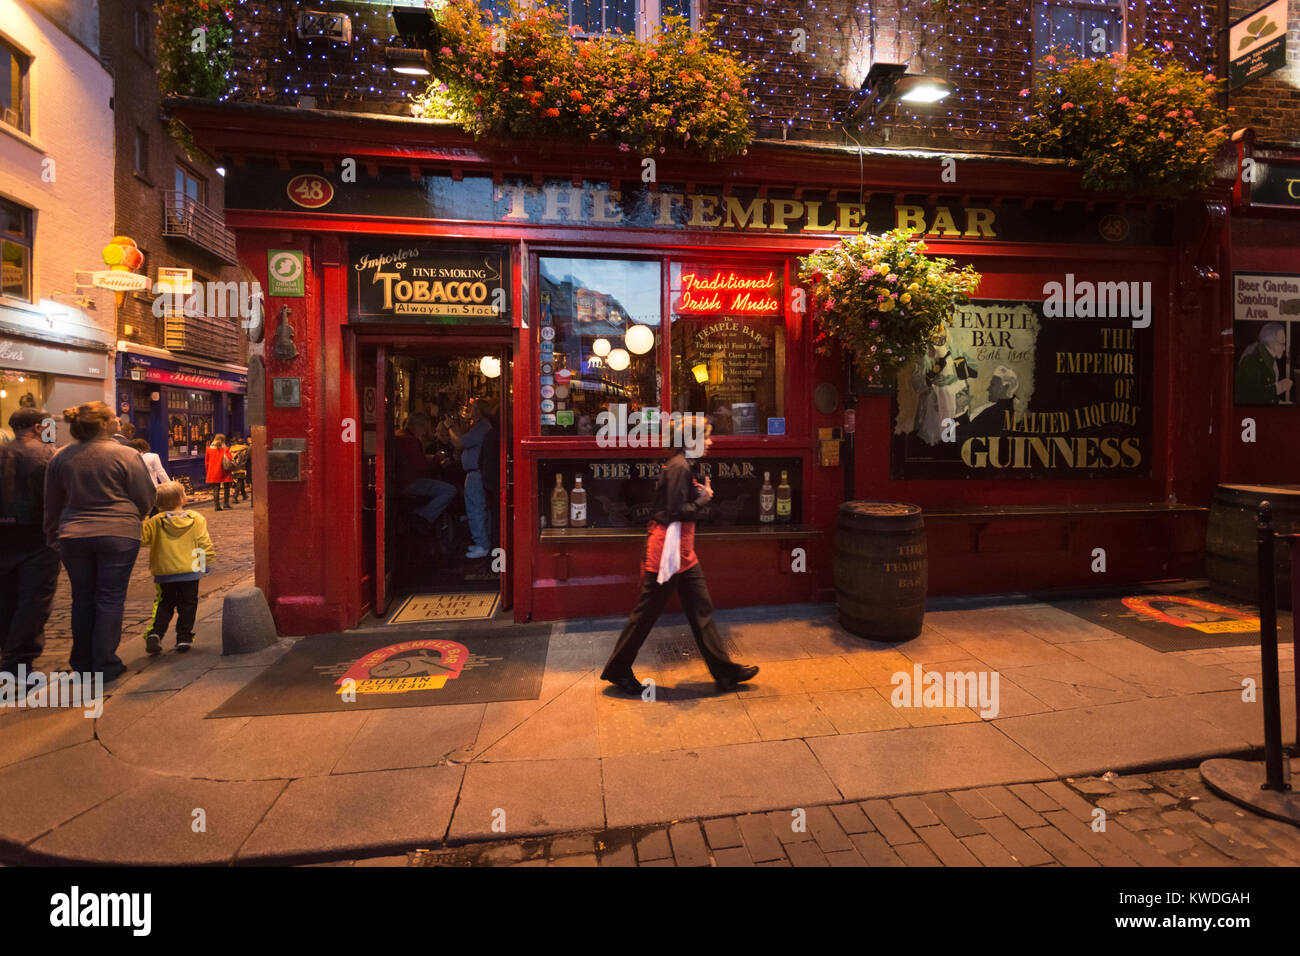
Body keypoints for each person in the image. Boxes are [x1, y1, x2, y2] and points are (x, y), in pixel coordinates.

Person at [599, 417, 759, 695]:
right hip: (667, 553)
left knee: (701, 611)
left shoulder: (681, 464)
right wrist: (703, 499)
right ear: (692, 439)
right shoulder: (679, 466)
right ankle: (618, 669)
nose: (710, 442)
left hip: (682, 552)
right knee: (645, 615)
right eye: (706, 437)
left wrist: (695, 496)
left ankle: (725, 673)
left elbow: (674, 504)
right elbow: (674, 511)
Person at [43, 401, 155, 683]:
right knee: (109, 597)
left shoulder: (61, 457)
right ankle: (105, 663)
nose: (119, 419)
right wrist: (134, 517)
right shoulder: (126, 455)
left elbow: (52, 503)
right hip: (118, 534)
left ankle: (82, 662)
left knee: (82, 598)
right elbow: (145, 496)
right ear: (104, 424)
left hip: (73, 535)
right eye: (114, 417)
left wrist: (52, 535)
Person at [0, 407, 59, 682]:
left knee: (6, 596)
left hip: (5, 538)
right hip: (37, 535)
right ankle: (17, 663)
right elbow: (56, 499)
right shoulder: (48, 455)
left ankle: (9, 652)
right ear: (38, 427)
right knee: (34, 600)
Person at [141, 481, 214, 654]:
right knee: (188, 604)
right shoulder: (196, 518)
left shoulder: (155, 521)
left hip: (165, 572)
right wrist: (206, 562)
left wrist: (143, 519)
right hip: (190, 571)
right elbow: (204, 542)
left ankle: (156, 633)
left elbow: (143, 540)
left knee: (164, 603)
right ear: (182, 498)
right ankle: (184, 637)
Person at [395, 412, 456, 535]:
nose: (425, 432)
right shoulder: (410, 441)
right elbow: (422, 467)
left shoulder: (400, 435)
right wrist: (437, 459)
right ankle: (422, 516)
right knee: (449, 490)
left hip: (399, 481)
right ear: (418, 426)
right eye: (424, 428)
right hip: (409, 482)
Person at [446, 399, 492, 560]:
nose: (469, 410)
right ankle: (482, 542)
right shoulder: (481, 426)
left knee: (475, 508)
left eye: (472, 408)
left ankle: (482, 545)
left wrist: (450, 426)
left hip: (476, 473)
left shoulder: (482, 427)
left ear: (478, 411)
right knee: (478, 508)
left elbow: (459, 442)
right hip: (476, 472)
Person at [1235, 323, 1292, 405]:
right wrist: (1278, 388)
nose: (1284, 348)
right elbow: (1248, 396)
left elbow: (1265, 396)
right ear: (1271, 343)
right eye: (1282, 343)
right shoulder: (1251, 361)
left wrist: (1279, 403)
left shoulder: (1270, 359)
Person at [205, 434, 235, 510]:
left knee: (216, 488)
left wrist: (208, 471)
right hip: (225, 470)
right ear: (223, 440)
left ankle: (217, 506)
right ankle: (226, 503)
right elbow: (230, 458)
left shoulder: (208, 449)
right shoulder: (225, 449)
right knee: (227, 488)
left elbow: (206, 462)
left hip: (214, 471)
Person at [228, 435, 249, 503]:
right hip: (241, 467)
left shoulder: (231, 449)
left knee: (240, 480)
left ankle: (244, 495)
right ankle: (235, 497)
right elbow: (247, 459)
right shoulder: (245, 449)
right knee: (239, 481)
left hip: (233, 467)